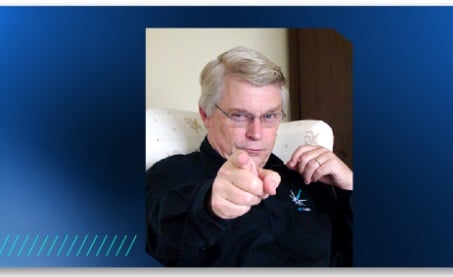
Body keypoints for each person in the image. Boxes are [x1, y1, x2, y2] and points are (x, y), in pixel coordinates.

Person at [146, 46, 353, 267]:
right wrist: (208, 207)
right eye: (239, 116)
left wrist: (351, 188)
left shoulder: (307, 177)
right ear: (206, 115)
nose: (256, 133)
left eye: (269, 116)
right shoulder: (172, 174)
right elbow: (156, 236)